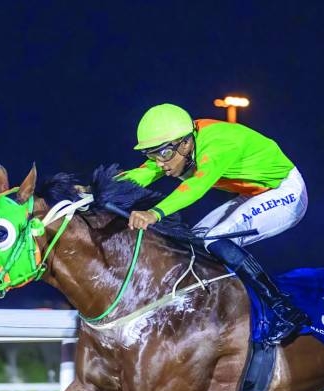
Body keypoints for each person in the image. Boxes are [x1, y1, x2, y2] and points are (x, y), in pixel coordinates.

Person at [120, 103, 311, 344]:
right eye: (152, 154)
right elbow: (142, 173)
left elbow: (196, 186)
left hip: (286, 192)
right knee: (197, 239)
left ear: (186, 143)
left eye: (164, 154)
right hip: (256, 194)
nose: (159, 162)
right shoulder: (180, 143)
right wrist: (95, 189)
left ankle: (284, 310)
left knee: (218, 238)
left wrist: (155, 213)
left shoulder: (217, 144)